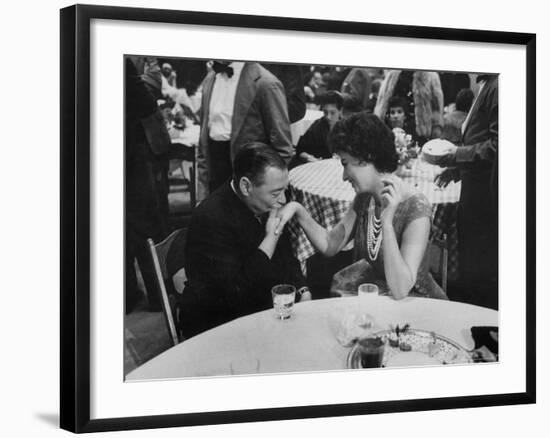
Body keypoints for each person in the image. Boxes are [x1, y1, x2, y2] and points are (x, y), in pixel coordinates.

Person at [276, 112, 447, 300]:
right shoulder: (365, 198)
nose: (343, 176)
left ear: (367, 156)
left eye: (345, 163)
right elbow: (331, 244)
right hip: (374, 296)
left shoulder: (417, 208)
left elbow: (400, 289)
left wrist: (387, 224)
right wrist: (298, 210)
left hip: (413, 304)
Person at [167, 143, 310, 338]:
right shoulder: (212, 217)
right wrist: (270, 238)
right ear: (245, 186)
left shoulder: (266, 202)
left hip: (259, 308)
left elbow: (286, 257)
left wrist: (302, 289)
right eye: (276, 193)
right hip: (218, 324)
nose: (284, 200)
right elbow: (235, 293)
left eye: (285, 190)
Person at [433, 74, 498, 310]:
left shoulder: (498, 85)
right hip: (473, 191)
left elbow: (498, 147)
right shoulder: (486, 85)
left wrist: (455, 156)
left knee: (479, 273)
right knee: (471, 264)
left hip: (485, 200)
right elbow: (482, 141)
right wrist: (456, 170)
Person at [197, 61, 293, 202]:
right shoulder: (210, 79)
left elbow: (283, 148)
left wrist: (267, 197)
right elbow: (203, 144)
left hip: (251, 184)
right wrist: (202, 195)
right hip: (214, 178)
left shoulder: (266, 83)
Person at [374, 70, 444, 146]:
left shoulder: (430, 76)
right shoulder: (392, 75)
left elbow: (436, 106)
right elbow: (382, 104)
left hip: (420, 131)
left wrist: (436, 128)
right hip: (394, 127)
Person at [294, 91, 344, 165]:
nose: (328, 117)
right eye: (325, 112)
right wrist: (311, 159)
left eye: (332, 113)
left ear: (340, 110)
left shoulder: (348, 128)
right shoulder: (317, 127)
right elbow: (300, 151)